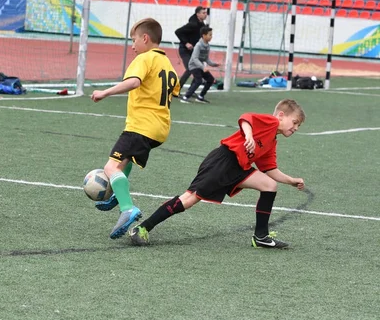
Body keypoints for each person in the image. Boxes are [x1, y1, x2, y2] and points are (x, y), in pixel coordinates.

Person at [129, 99, 306, 249]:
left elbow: (270, 169)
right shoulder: (271, 122)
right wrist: (249, 136)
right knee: (189, 199)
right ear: (281, 116)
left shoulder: (272, 141)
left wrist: (291, 180)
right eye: (295, 122)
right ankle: (142, 228)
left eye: (299, 125)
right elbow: (246, 118)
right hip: (223, 161)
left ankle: (261, 237)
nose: (296, 128)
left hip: (239, 168)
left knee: (269, 185)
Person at [91, 18, 179, 239]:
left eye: (134, 40)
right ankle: (117, 195)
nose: (132, 46)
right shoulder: (168, 64)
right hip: (160, 128)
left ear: (145, 38)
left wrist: (105, 92)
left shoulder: (144, 58)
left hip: (141, 125)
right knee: (124, 160)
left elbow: (134, 83)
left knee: (111, 167)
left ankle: (127, 207)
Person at [172, 6, 208, 98]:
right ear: (198, 14)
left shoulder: (202, 25)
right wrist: (186, 43)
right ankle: (176, 90)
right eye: (203, 13)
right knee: (190, 69)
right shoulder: (193, 24)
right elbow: (178, 31)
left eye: (205, 12)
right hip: (184, 50)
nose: (205, 14)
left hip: (193, 51)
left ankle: (191, 90)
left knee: (198, 69)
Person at [180, 26, 219, 104]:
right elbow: (194, 58)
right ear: (204, 36)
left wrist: (214, 64)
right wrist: (203, 67)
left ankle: (200, 97)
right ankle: (185, 97)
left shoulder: (207, 46)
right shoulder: (198, 45)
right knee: (199, 80)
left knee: (210, 79)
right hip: (193, 66)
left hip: (200, 66)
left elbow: (206, 59)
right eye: (210, 35)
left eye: (211, 35)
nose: (211, 36)